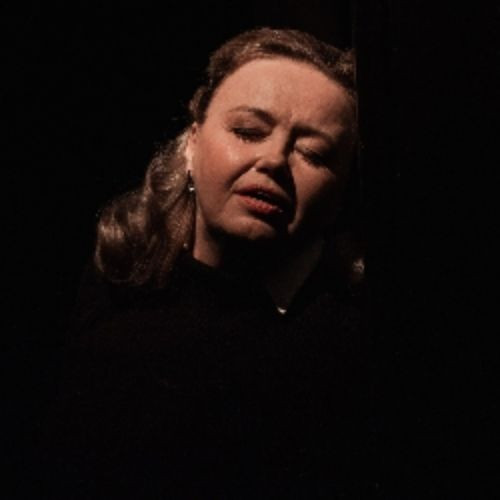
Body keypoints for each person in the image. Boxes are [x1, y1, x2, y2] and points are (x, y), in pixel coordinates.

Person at [42, 27, 370, 499]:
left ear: (341, 196)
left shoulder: (355, 337)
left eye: (313, 154)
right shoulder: (111, 272)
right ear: (192, 143)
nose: (274, 160)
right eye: (248, 132)